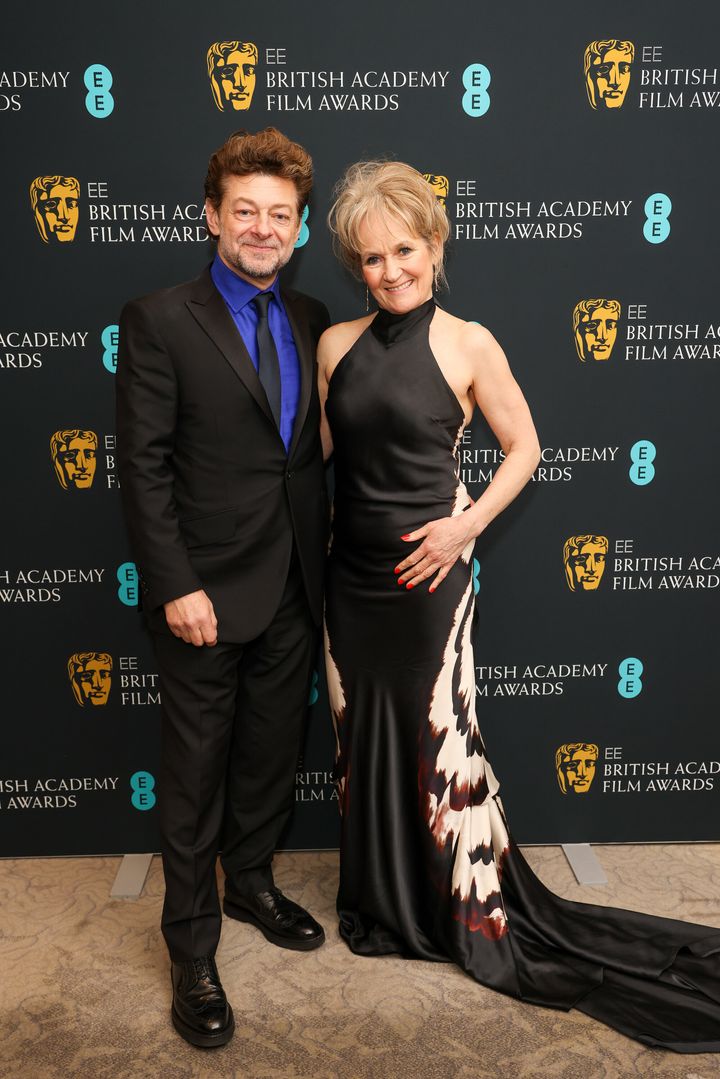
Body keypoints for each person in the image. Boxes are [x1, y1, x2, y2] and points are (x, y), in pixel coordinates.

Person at [318, 159, 720, 1052]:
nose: (392, 271)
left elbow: (526, 445)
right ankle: (382, 903)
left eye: (406, 250)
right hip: (349, 585)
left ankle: (458, 906)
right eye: (373, 258)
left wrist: (463, 530)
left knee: (437, 745)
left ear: (435, 244)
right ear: (355, 264)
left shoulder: (470, 342)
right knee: (361, 743)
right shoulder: (335, 346)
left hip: (430, 584)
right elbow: (325, 464)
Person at [116, 128, 330, 1049]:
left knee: (268, 758)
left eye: (279, 215)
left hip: (293, 584)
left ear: (299, 227)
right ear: (211, 216)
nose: (261, 227)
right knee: (196, 778)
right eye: (244, 210)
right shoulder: (161, 318)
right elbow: (143, 466)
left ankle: (251, 882)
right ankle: (192, 951)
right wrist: (176, 584)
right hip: (201, 593)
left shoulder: (317, 316)